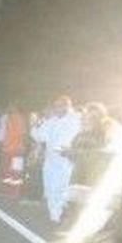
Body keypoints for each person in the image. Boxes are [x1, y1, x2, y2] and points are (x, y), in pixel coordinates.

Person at [30, 95, 83, 224]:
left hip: (68, 161)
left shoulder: (77, 118)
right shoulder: (51, 121)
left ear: (67, 106)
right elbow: (39, 136)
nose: (57, 108)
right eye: (55, 106)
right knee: (50, 188)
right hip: (51, 161)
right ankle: (55, 215)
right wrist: (35, 125)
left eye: (60, 105)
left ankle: (60, 213)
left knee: (64, 188)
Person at [0, 102, 28, 198]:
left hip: (17, 150)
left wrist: (22, 147)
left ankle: (15, 193)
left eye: (10, 106)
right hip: (7, 149)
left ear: (15, 107)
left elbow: (23, 134)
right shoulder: (9, 118)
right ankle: (7, 191)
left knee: (16, 171)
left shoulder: (19, 118)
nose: (8, 108)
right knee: (6, 171)